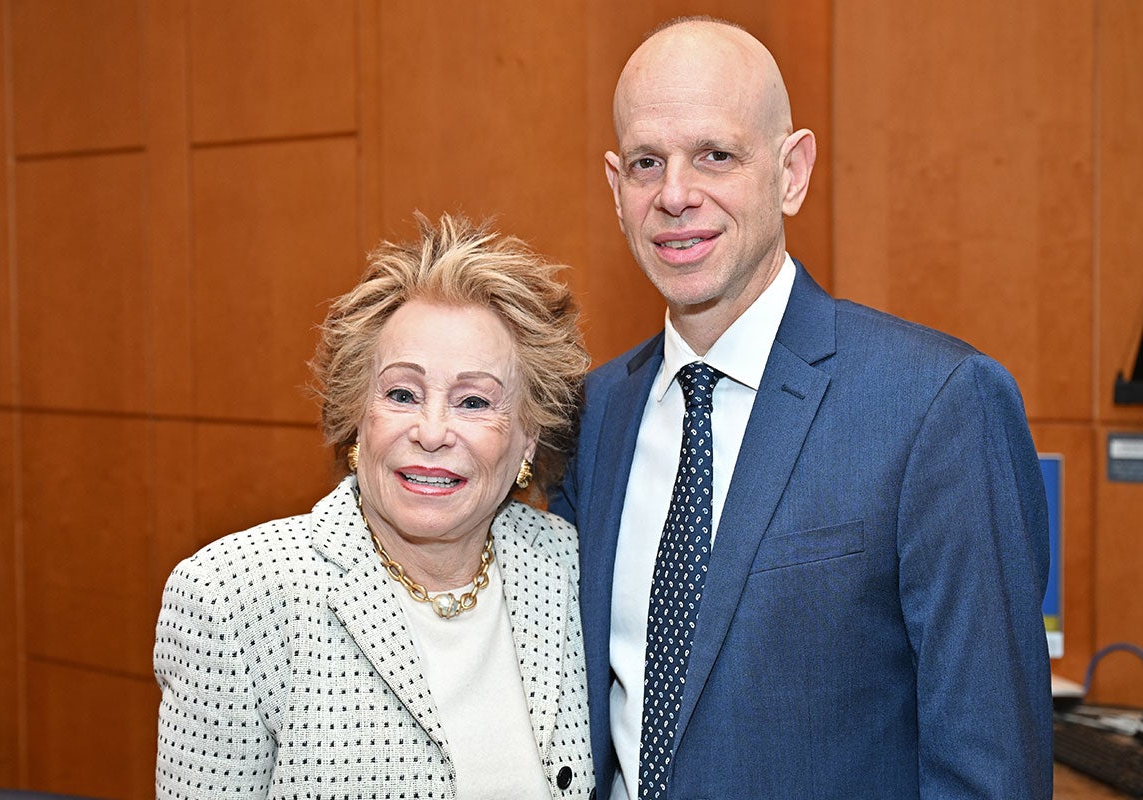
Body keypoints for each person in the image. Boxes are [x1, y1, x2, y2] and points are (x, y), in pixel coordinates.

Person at [551, 17, 1053, 800]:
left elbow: (990, 772)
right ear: (618, 190)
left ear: (791, 172)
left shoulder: (938, 405)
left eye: (715, 155)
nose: (676, 195)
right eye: (649, 162)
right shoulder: (594, 416)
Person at [154, 213, 594, 799]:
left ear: (528, 440)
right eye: (402, 394)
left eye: (472, 401)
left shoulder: (569, 568)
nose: (432, 432)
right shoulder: (234, 598)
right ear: (357, 418)